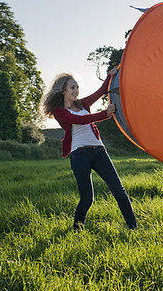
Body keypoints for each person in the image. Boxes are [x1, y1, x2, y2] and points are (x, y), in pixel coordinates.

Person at [42, 68, 137, 230]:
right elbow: (82, 120)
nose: (76, 91)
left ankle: (133, 228)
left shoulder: (83, 103)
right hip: (79, 155)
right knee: (87, 198)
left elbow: (100, 92)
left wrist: (110, 75)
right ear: (63, 90)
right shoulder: (60, 112)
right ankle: (77, 230)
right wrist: (104, 113)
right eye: (72, 87)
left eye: (77, 87)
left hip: (99, 152)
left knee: (119, 191)